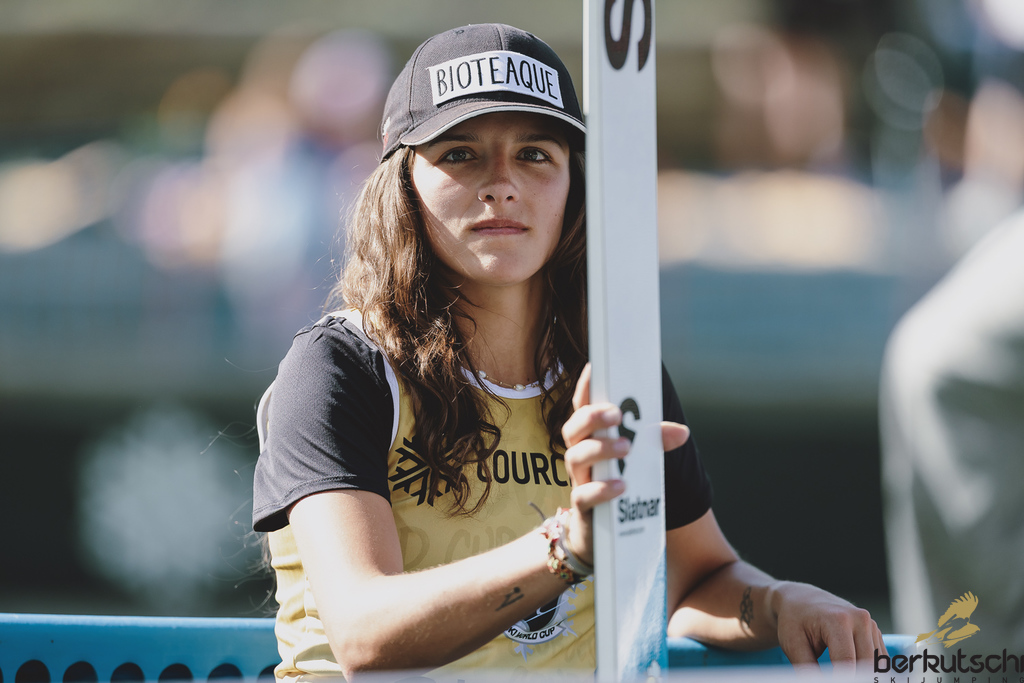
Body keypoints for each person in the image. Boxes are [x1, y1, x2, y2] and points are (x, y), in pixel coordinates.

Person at [252, 23, 884, 680]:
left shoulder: (617, 371)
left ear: (572, 188)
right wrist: (569, 545)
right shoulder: (341, 368)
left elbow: (698, 577)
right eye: (461, 153)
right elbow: (364, 633)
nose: (502, 183)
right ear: (402, 184)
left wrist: (780, 601)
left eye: (535, 154)